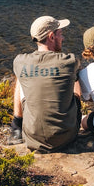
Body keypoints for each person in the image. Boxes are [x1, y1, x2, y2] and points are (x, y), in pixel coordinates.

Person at [11, 15, 81, 152]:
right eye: (60, 34)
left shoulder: (20, 61)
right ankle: (75, 116)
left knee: (21, 78)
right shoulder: (69, 61)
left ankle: (16, 127)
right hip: (67, 136)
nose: (63, 38)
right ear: (51, 36)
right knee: (76, 78)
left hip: (32, 137)